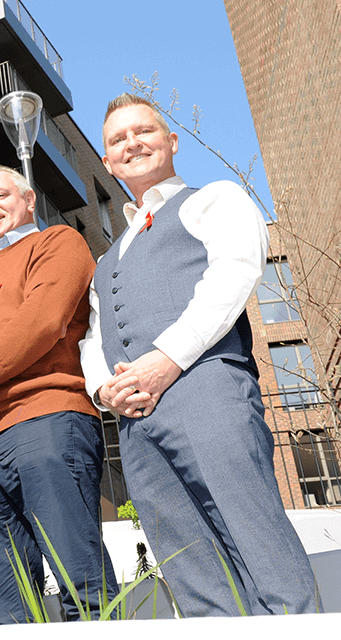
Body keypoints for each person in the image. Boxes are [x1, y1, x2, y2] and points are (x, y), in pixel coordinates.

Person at [80, 93, 319, 615]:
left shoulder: (215, 198)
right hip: (136, 422)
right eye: (118, 139)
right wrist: (103, 389)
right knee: (186, 560)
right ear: (106, 161)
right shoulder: (106, 259)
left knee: (253, 532)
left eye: (143, 131)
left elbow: (234, 273)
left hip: (206, 387)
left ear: (171, 141)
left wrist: (167, 358)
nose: (132, 143)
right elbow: (93, 337)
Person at [0, 166, 117, 623]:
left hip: (49, 419)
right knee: (1, 607)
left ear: (28, 200)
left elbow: (44, 319)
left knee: (81, 582)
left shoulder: (55, 242)